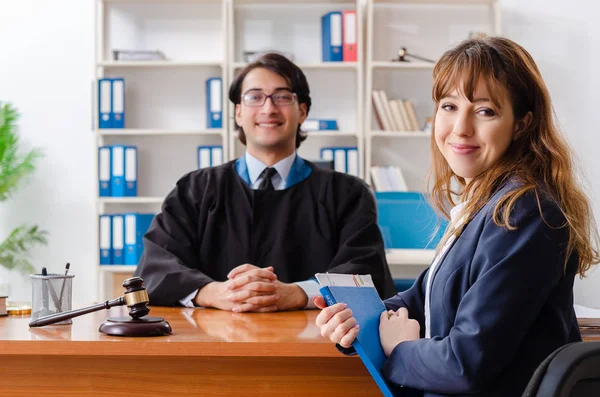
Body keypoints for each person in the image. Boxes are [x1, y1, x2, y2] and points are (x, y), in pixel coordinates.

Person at [315, 37, 600, 396]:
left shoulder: (524, 212)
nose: (460, 127)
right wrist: (356, 322)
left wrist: (398, 348)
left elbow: (465, 363)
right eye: (449, 106)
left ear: (521, 124)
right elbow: (420, 300)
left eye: (485, 111)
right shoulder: (483, 204)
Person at [134, 53, 396, 312]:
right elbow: (157, 266)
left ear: (302, 111)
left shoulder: (348, 194)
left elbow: (364, 272)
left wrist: (297, 294)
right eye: (255, 97)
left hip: (316, 345)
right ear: (238, 113)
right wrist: (214, 293)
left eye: (282, 97)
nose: (268, 109)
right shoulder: (196, 190)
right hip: (214, 342)